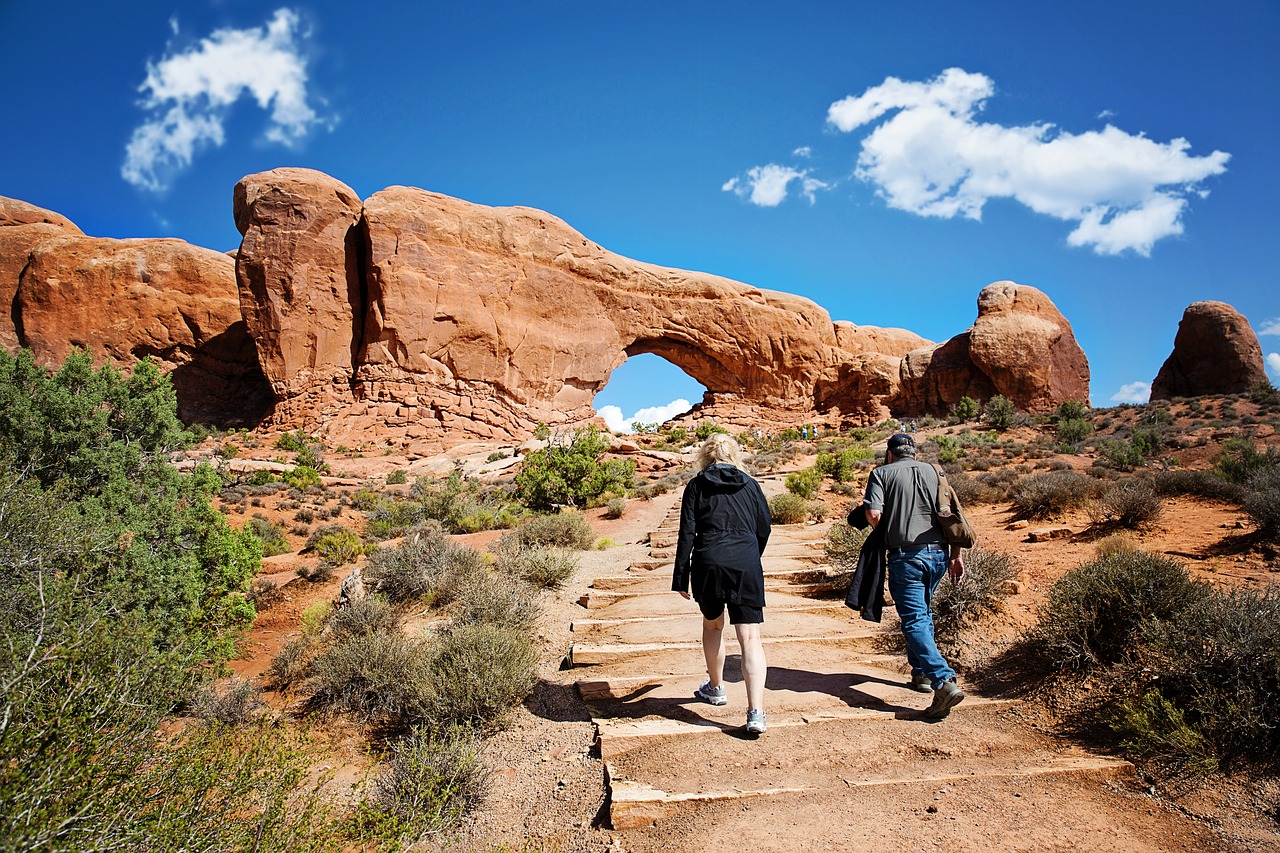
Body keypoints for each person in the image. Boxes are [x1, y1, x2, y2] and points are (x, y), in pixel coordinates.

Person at [860, 432, 966, 719]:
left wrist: (887, 528)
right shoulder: (935, 471)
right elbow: (953, 515)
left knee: (915, 618)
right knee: (924, 612)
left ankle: (942, 681)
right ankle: (919, 673)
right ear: (914, 453)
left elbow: (872, 513)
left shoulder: (881, 473)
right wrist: (956, 555)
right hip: (939, 554)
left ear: (890, 453)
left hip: (906, 556)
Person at [673, 433, 772, 735]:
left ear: (705, 456)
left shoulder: (696, 485)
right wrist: (750, 556)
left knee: (713, 626)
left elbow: (687, 532)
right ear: (735, 455)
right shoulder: (751, 485)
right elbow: (764, 526)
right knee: (750, 637)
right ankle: (755, 712)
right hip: (745, 563)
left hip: (709, 562)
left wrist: (681, 575)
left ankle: (716, 688)